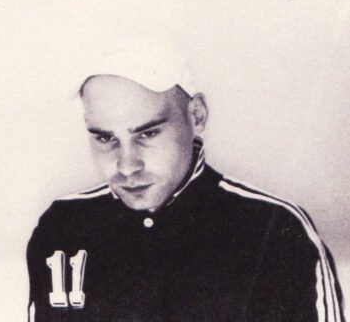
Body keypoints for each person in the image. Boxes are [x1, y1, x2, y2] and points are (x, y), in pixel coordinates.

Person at [26, 42, 345, 322]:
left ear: (197, 116)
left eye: (148, 134)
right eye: (105, 138)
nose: (127, 166)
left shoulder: (274, 229)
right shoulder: (62, 226)